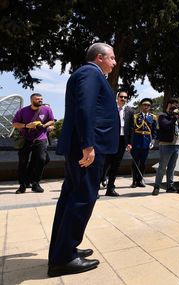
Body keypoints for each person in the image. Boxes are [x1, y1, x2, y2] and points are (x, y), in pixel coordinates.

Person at [47, 43, 118, 277]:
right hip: (88, 147)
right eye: (112, 58)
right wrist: (88, 145)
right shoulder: (90, 73)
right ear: (100, 58)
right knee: (82, 198)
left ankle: (63, 250)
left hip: (85, 145)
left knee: (71, 197)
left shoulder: (88, 74)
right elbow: (85, 108)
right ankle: (64, 258)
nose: (115, 63)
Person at [12, 93, 55, 193]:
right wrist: (27, 125)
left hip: (41, 139)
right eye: (37, 99)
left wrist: (44, 126)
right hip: (26, 139)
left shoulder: (47, 109)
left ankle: (35, 183)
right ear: (32, 100)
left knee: (41, 159)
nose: (40, 100)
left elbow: (52, 121)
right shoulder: (22, 111)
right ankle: (22, 185)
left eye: (41, 99)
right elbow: (14, 123)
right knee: (23, 162)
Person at [100, 91, 133, 196]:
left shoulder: (130, 111)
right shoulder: (110, 108)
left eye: (125, 97)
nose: (123, 98)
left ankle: (110, 188)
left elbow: (131, 128)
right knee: (105, 164)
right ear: (117, 97)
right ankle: (95, 188)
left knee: (116, 165)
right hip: (110, 140)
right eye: (121, 96)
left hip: (122, 140)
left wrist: (129, 143)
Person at [153, 99, 179, 195]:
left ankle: (170, 187)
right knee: (162, 167)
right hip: (166, 145)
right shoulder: (163, 115)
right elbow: (165, 125)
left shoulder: (177, 117)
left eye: (176, 106)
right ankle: (157, 187)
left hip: (176, 145)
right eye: (173, 106)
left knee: (172, 167)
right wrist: (174, 117)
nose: (175, 108)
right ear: (168, 105)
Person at [130, 98, 157, 188]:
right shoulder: (135, 116)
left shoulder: (153, 117)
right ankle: (134, 181)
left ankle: (140, 180)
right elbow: (132, 130)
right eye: (144, 105)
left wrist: (153, 141)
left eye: (148, 105)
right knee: (135, 162)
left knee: (143, 162)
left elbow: (154, 132)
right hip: (136, 141)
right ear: (141, 106)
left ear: (150, 107)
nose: (146, 106)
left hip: (146, 143)